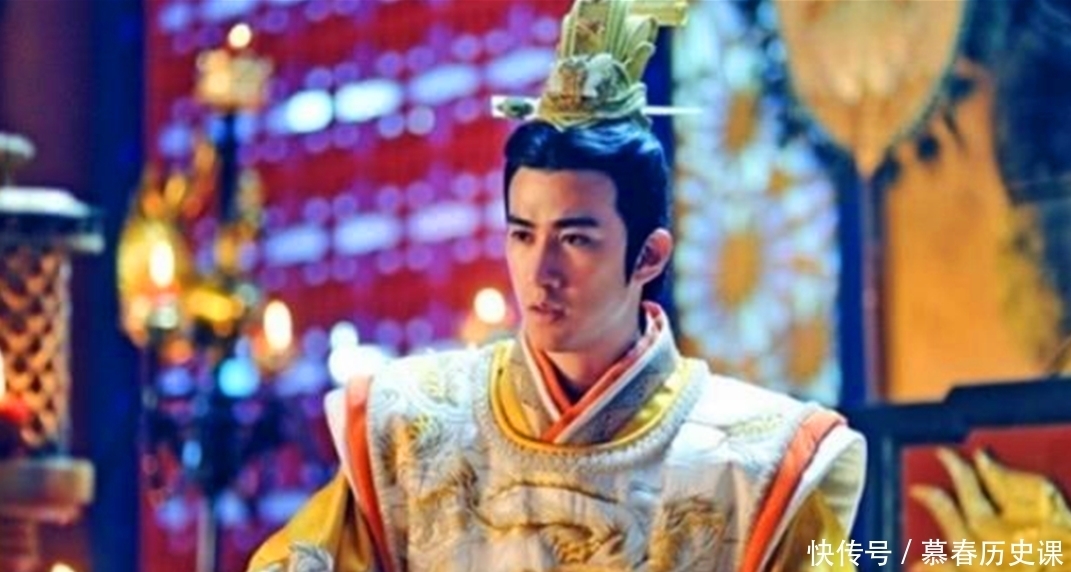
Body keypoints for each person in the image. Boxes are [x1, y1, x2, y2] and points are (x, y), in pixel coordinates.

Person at [248, 1, 865, 570]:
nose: (539, 271)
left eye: (575, 239)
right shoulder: (409, 426)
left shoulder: (756, 462)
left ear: (649, 255)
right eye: (522, 234)